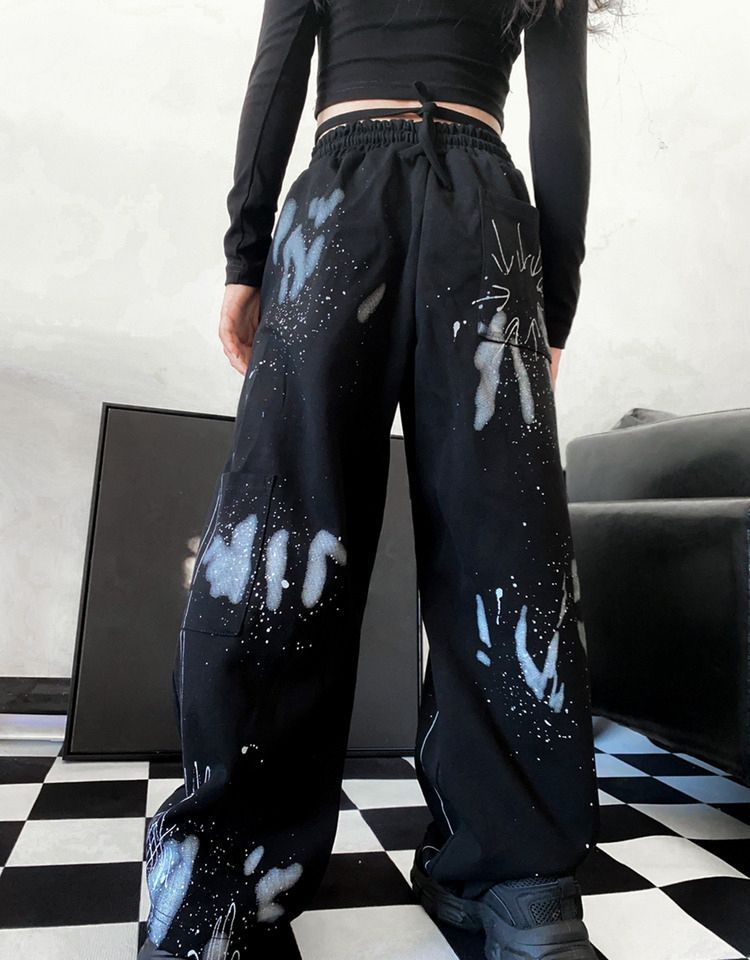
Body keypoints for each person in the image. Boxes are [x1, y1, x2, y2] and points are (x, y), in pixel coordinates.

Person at [139, 1, 610, 958]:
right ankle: (521, 882)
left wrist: (245, 256)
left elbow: (277, 75)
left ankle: (222, 886)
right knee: (502, 553)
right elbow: (563, 124)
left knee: (282, 536)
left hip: (338, 204)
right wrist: (550, 306)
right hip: (483, 217)